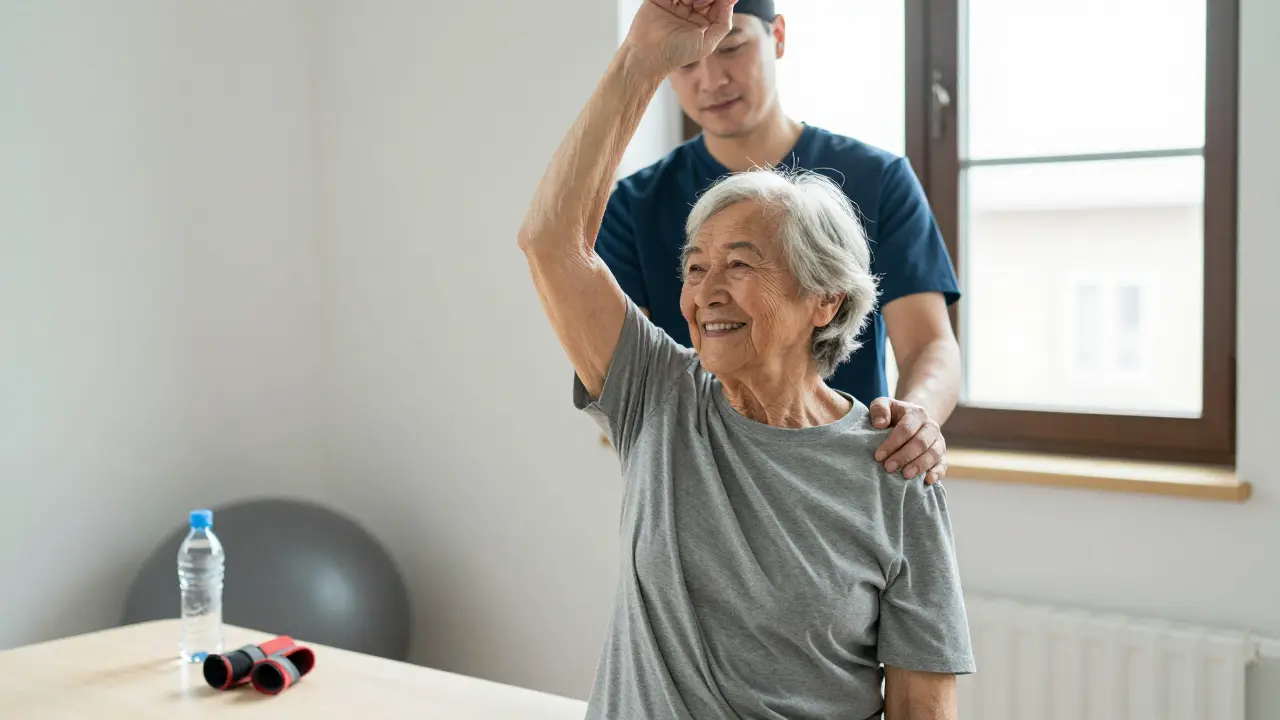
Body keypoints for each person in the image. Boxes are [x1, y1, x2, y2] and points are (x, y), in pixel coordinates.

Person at [517, 1, 976, 717]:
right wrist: (641, 56)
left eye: (740, 263)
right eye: (693, 269)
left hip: (848, 463)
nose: (704, 293)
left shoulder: (898, 477)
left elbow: (931, 344)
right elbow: (553, 243)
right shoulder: (664, 392)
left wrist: (915, 423)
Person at [597, 0, 962, 484]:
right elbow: (623, 371)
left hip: (852, 473)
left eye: (732, 48)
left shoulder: (878, 179)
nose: (711, 80)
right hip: (704, 482)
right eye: (685, 61)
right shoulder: (635, 204)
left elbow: (929, 342)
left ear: (779, 38)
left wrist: (915, 420)